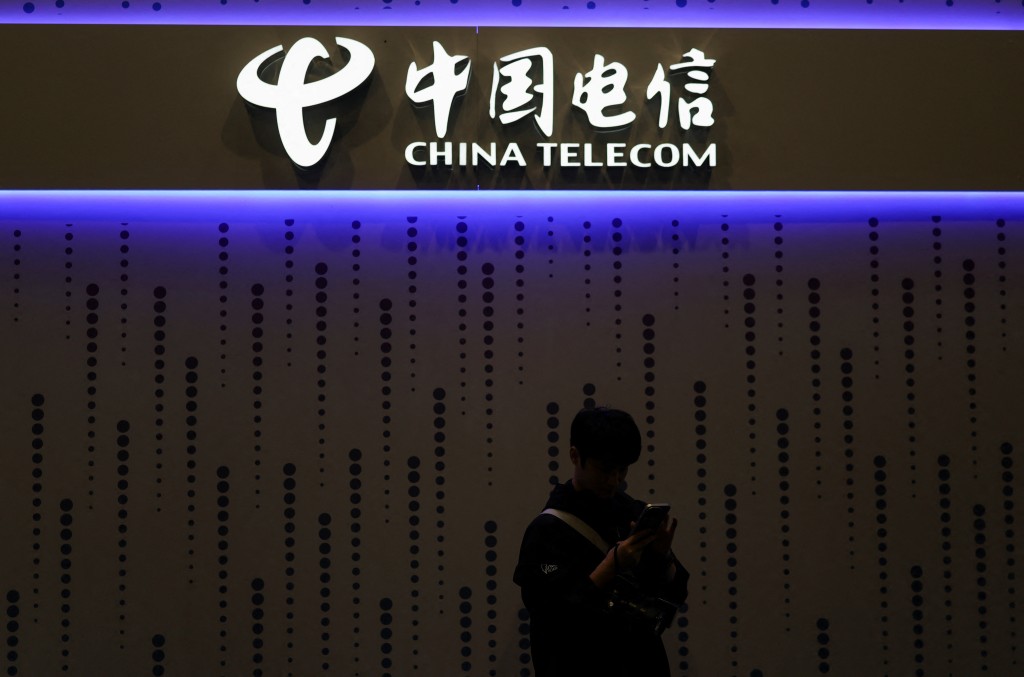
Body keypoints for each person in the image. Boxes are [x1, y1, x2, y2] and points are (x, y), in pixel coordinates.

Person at [514, 407, 689, 677]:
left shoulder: (632, 512)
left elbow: (674, 597)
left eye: (622, 470)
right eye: (605, 469)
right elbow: (551, 615)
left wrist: (661, 558)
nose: (614, 480)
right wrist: (611, 565)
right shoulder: (547, 531)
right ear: (575, 455)